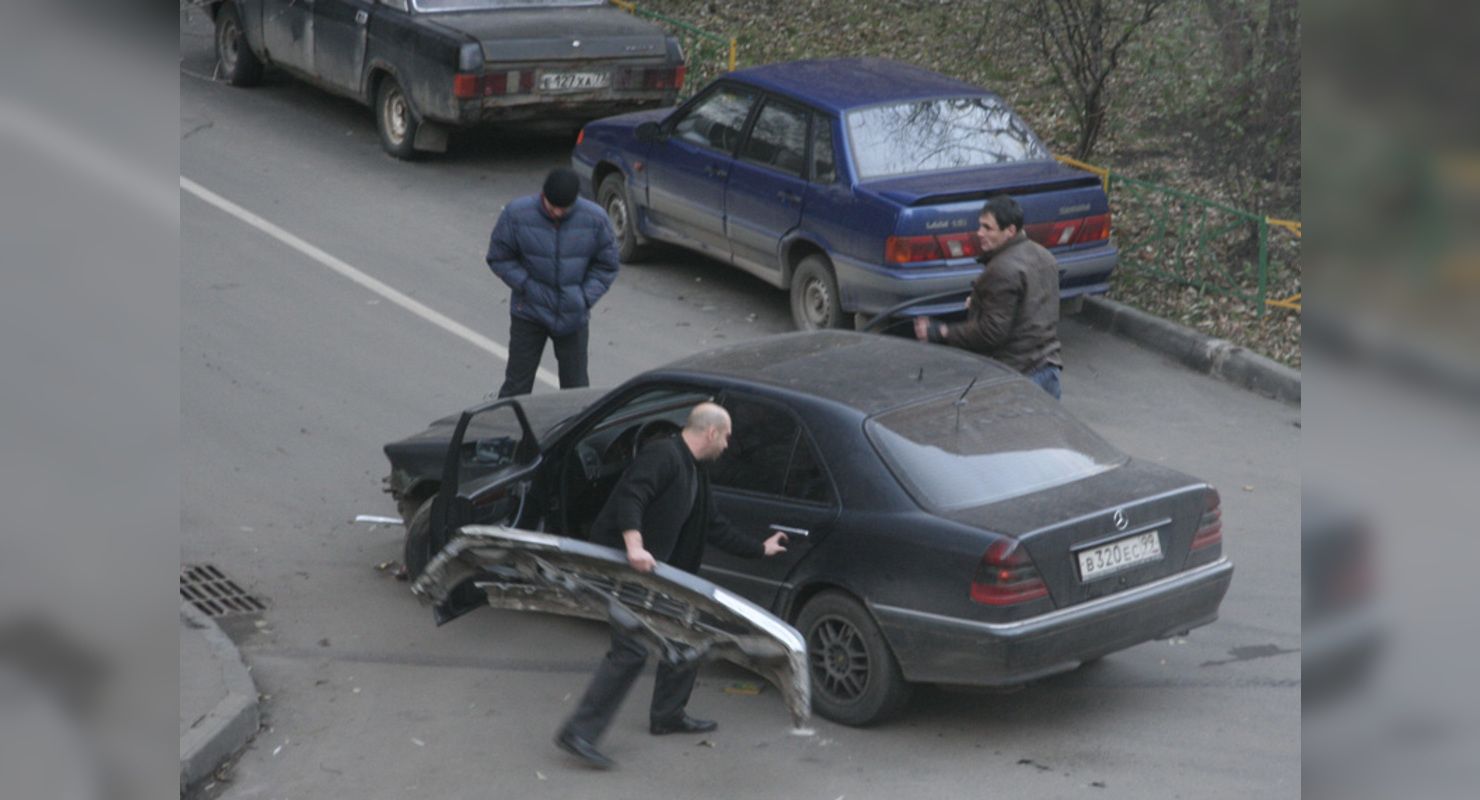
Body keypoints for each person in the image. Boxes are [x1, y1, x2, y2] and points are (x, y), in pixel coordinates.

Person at [554, 403, 789, 769]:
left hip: (665, 574)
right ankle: (580, 732)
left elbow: (714, 526)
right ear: (711, 433)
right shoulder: (662, 454)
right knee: (631, 649)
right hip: (627, 568)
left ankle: (667, 714)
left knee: (687, 634)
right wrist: (634, 545)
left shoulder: (696, 470)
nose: (727, 445)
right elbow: (632, 496)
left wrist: (760, 549)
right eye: (726, 437)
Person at [486, 167, 620, 398]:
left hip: (573, 315)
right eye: (552, 206)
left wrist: (584, 297)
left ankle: (575, 433)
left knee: (576, 391)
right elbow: (499, 257)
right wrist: (527, 286)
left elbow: (607, 265)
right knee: (517, 386)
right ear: (543, 196)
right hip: (529, 312)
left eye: (564, 208)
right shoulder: (516, 214)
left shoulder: (595, 219)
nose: (557, 212)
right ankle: (508, 431)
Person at [913, 195, 1064, 399]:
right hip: (1049, 372)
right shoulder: (1044, 256)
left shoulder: (1002, 269)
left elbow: (991, 332)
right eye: (980, 226)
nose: (979, 233)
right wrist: (981, 303)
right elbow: (1029, 306)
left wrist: (940, 331)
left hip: (1016, 378)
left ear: (1010, 230)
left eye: (987, 228)